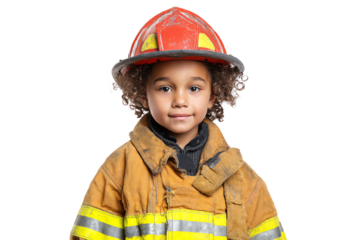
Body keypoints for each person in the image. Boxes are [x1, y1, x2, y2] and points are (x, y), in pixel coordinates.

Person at [69, 4, 287, 240]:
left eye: (194, 88)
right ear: (143, 93)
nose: (180, 101)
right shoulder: (118, 170)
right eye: (165, 88)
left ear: (213, 93)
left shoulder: (243, 177)